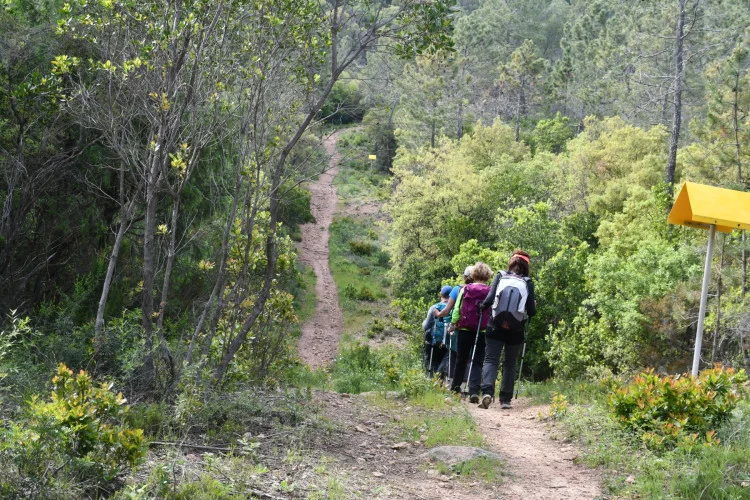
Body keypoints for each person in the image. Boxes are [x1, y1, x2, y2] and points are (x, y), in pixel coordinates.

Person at [478, 250, 536, 410]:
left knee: (491, 359)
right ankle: (506, 399)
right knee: (510, 363)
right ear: (527, 266)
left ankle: (487, 392)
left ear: (511, 262)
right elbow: (531, 311)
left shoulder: (501, 275)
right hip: (516, 329)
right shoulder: (528, 282)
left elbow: (490, 299)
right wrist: (533, 307)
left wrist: (482, 306)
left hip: (495, 325)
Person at [449, 262, 493, 402]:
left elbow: (457, 308)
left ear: (473, 274)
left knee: (461, 359)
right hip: (482, 329)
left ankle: (455, 389)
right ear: (487, 275)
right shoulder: (490, 291)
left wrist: (454, 322)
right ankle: (474, 391)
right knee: (478, 361)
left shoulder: (466, 289)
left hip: (464, 328)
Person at [422, 285, 453, 376]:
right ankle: (440, 379)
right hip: (448, 341)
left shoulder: (434, 307)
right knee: (444, 362)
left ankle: (431, 378)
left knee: (432, 361)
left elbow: (426, 326)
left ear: (441, 295)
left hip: (434, 340)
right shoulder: (454, 308)